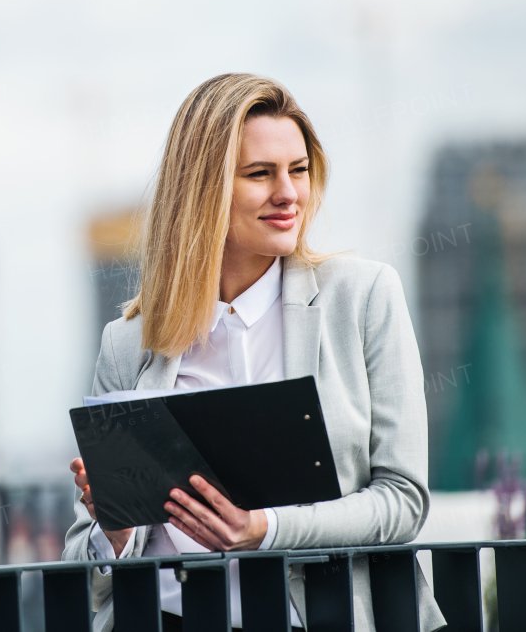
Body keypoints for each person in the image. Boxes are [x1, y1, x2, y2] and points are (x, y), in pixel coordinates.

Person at [62, 74, 446, 631]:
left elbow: (403, 501)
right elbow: (86, 561)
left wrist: (262, 529)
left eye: (299, 170)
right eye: (260, 174)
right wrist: (114, 531)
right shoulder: (128, 342)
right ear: (203, 189)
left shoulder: (362, 298)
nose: (288, 193)